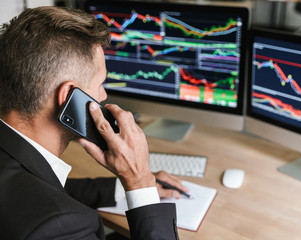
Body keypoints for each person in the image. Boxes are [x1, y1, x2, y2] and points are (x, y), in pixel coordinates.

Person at [0, 6, 188, 240]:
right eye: (100, 82)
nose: (103, 95)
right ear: (69, 95)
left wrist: (124, 186)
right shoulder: (60, 226)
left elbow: (37, 193)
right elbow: (50, 210)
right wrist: (141, 181)